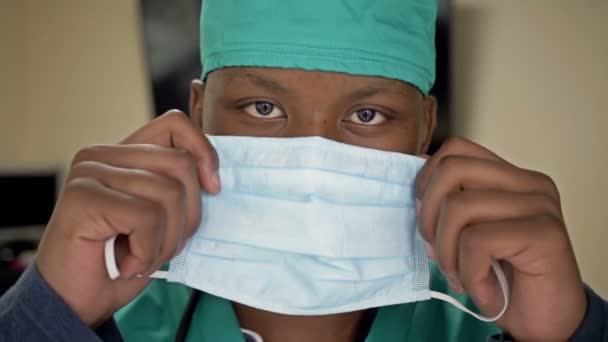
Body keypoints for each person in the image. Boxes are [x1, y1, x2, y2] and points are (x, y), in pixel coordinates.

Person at [1, 0, 607, 341]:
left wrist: (573, 338)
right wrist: (42, 317)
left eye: (367, 114)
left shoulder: (491, 321)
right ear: (195, 113)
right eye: (262, 108)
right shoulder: (112, 322)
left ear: (424, 129)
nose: (312, 158)